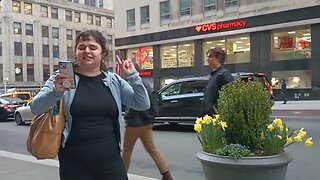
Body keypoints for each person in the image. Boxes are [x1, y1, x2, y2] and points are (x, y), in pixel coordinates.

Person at [30, 30, 150, 180]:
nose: (87, 51)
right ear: (75, 52)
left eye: (93, 47)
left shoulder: (113, 80)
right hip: (74, 163)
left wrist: (133, 76)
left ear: (103, 53)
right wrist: (55, 92)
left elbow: (142, 104)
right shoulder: (60, 78)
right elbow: (35, 108)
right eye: (81, 47)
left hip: (111, 161)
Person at [121, 63, 173, 180]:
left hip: (134, 124)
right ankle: (167, 175)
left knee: (127, 150)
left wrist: (127, 117)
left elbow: (133, 107)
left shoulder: (132, 85)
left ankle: (121, 176)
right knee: (152, 148)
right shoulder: (145, 84)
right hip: (147, 122)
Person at [201, 47, 234, 116]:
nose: (207, 59)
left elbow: (230, 99)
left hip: (217, 119)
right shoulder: (213, 76)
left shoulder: (224, 75)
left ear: (218, 58)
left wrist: (214, 111)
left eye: (210, 56)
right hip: (208, 119)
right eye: (207, 57)